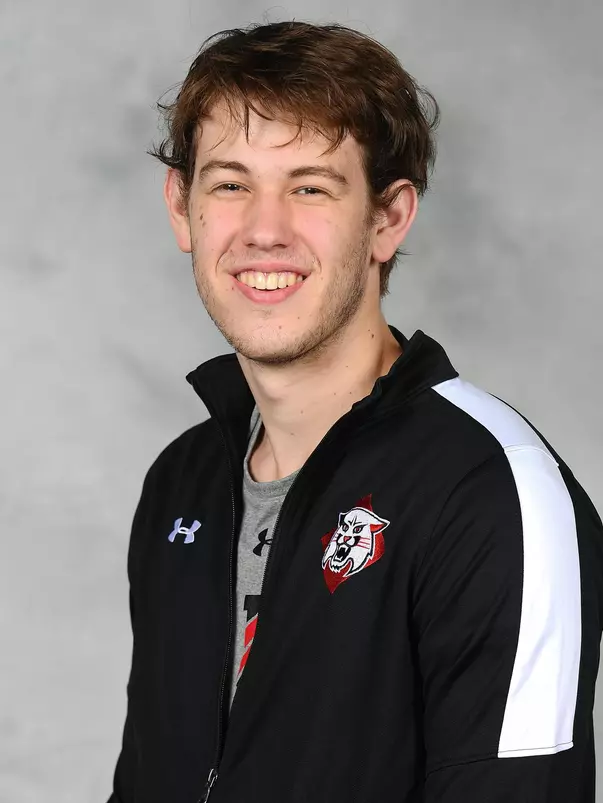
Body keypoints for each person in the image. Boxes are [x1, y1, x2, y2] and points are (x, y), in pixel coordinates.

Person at [106, 19, 603, 803]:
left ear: (387, 217)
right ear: (182, 207)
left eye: (309, 187)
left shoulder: (492, 491)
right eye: (230, 183)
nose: (263, 231)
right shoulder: (182, 483)